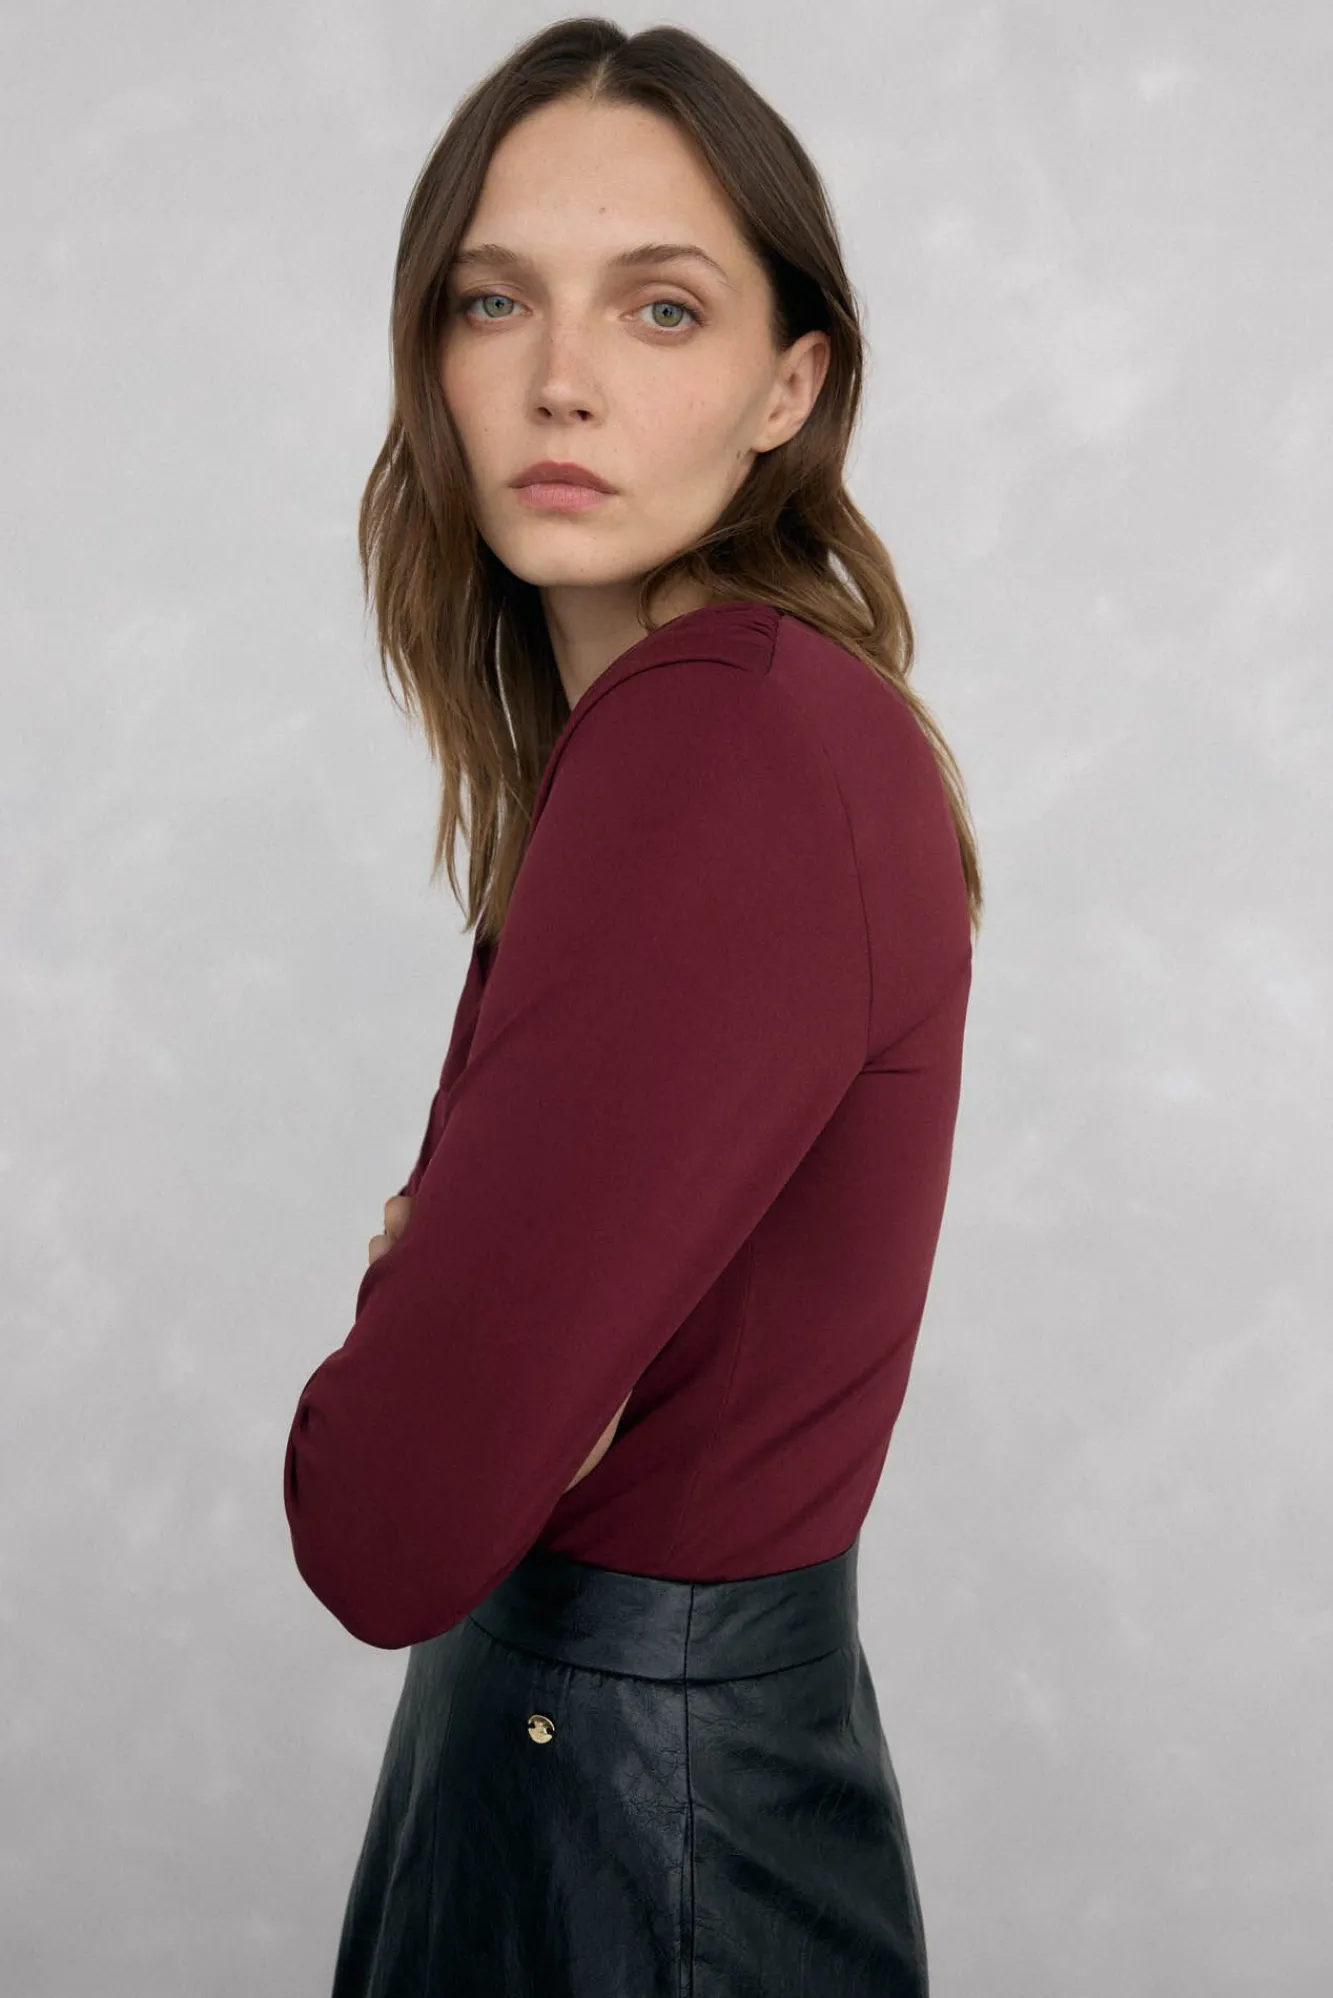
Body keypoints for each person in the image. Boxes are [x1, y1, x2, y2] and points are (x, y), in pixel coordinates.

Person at [282, 17, 983, 1995]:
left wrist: (433, 1294)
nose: (561, 377)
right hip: (618, 1793)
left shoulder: (723, 747)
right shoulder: (731, 731)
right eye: (494, 298)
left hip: (626, 1840)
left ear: (790, 384)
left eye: (660, 308)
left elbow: (387, 1512)